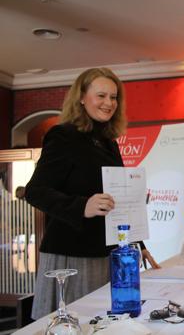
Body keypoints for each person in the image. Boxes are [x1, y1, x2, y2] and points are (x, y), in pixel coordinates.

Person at [25, 68, 160, 320]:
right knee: (78, 324)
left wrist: (136, 243)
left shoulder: (108, 142)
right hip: (73, 254)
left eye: (113, 97)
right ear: (81, 97)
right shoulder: (63, 135)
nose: (109, 103)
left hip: (106, 252)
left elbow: (115, 201)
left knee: (103, 324)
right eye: (101, 96)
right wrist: (81, 206)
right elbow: (35, 191)